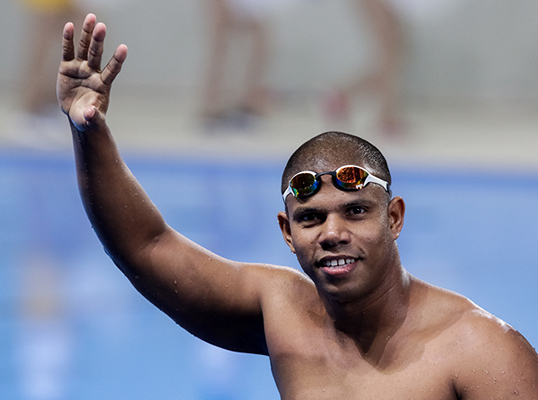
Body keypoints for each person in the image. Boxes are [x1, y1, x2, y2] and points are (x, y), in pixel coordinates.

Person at [57, 14, 538, 398]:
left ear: (394, 218)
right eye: (311, 218)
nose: (332, 232)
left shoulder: (480, 350)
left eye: (355, 211)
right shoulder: (283, 314)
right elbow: (147, 245)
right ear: (287, 234)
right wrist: (88, 131)